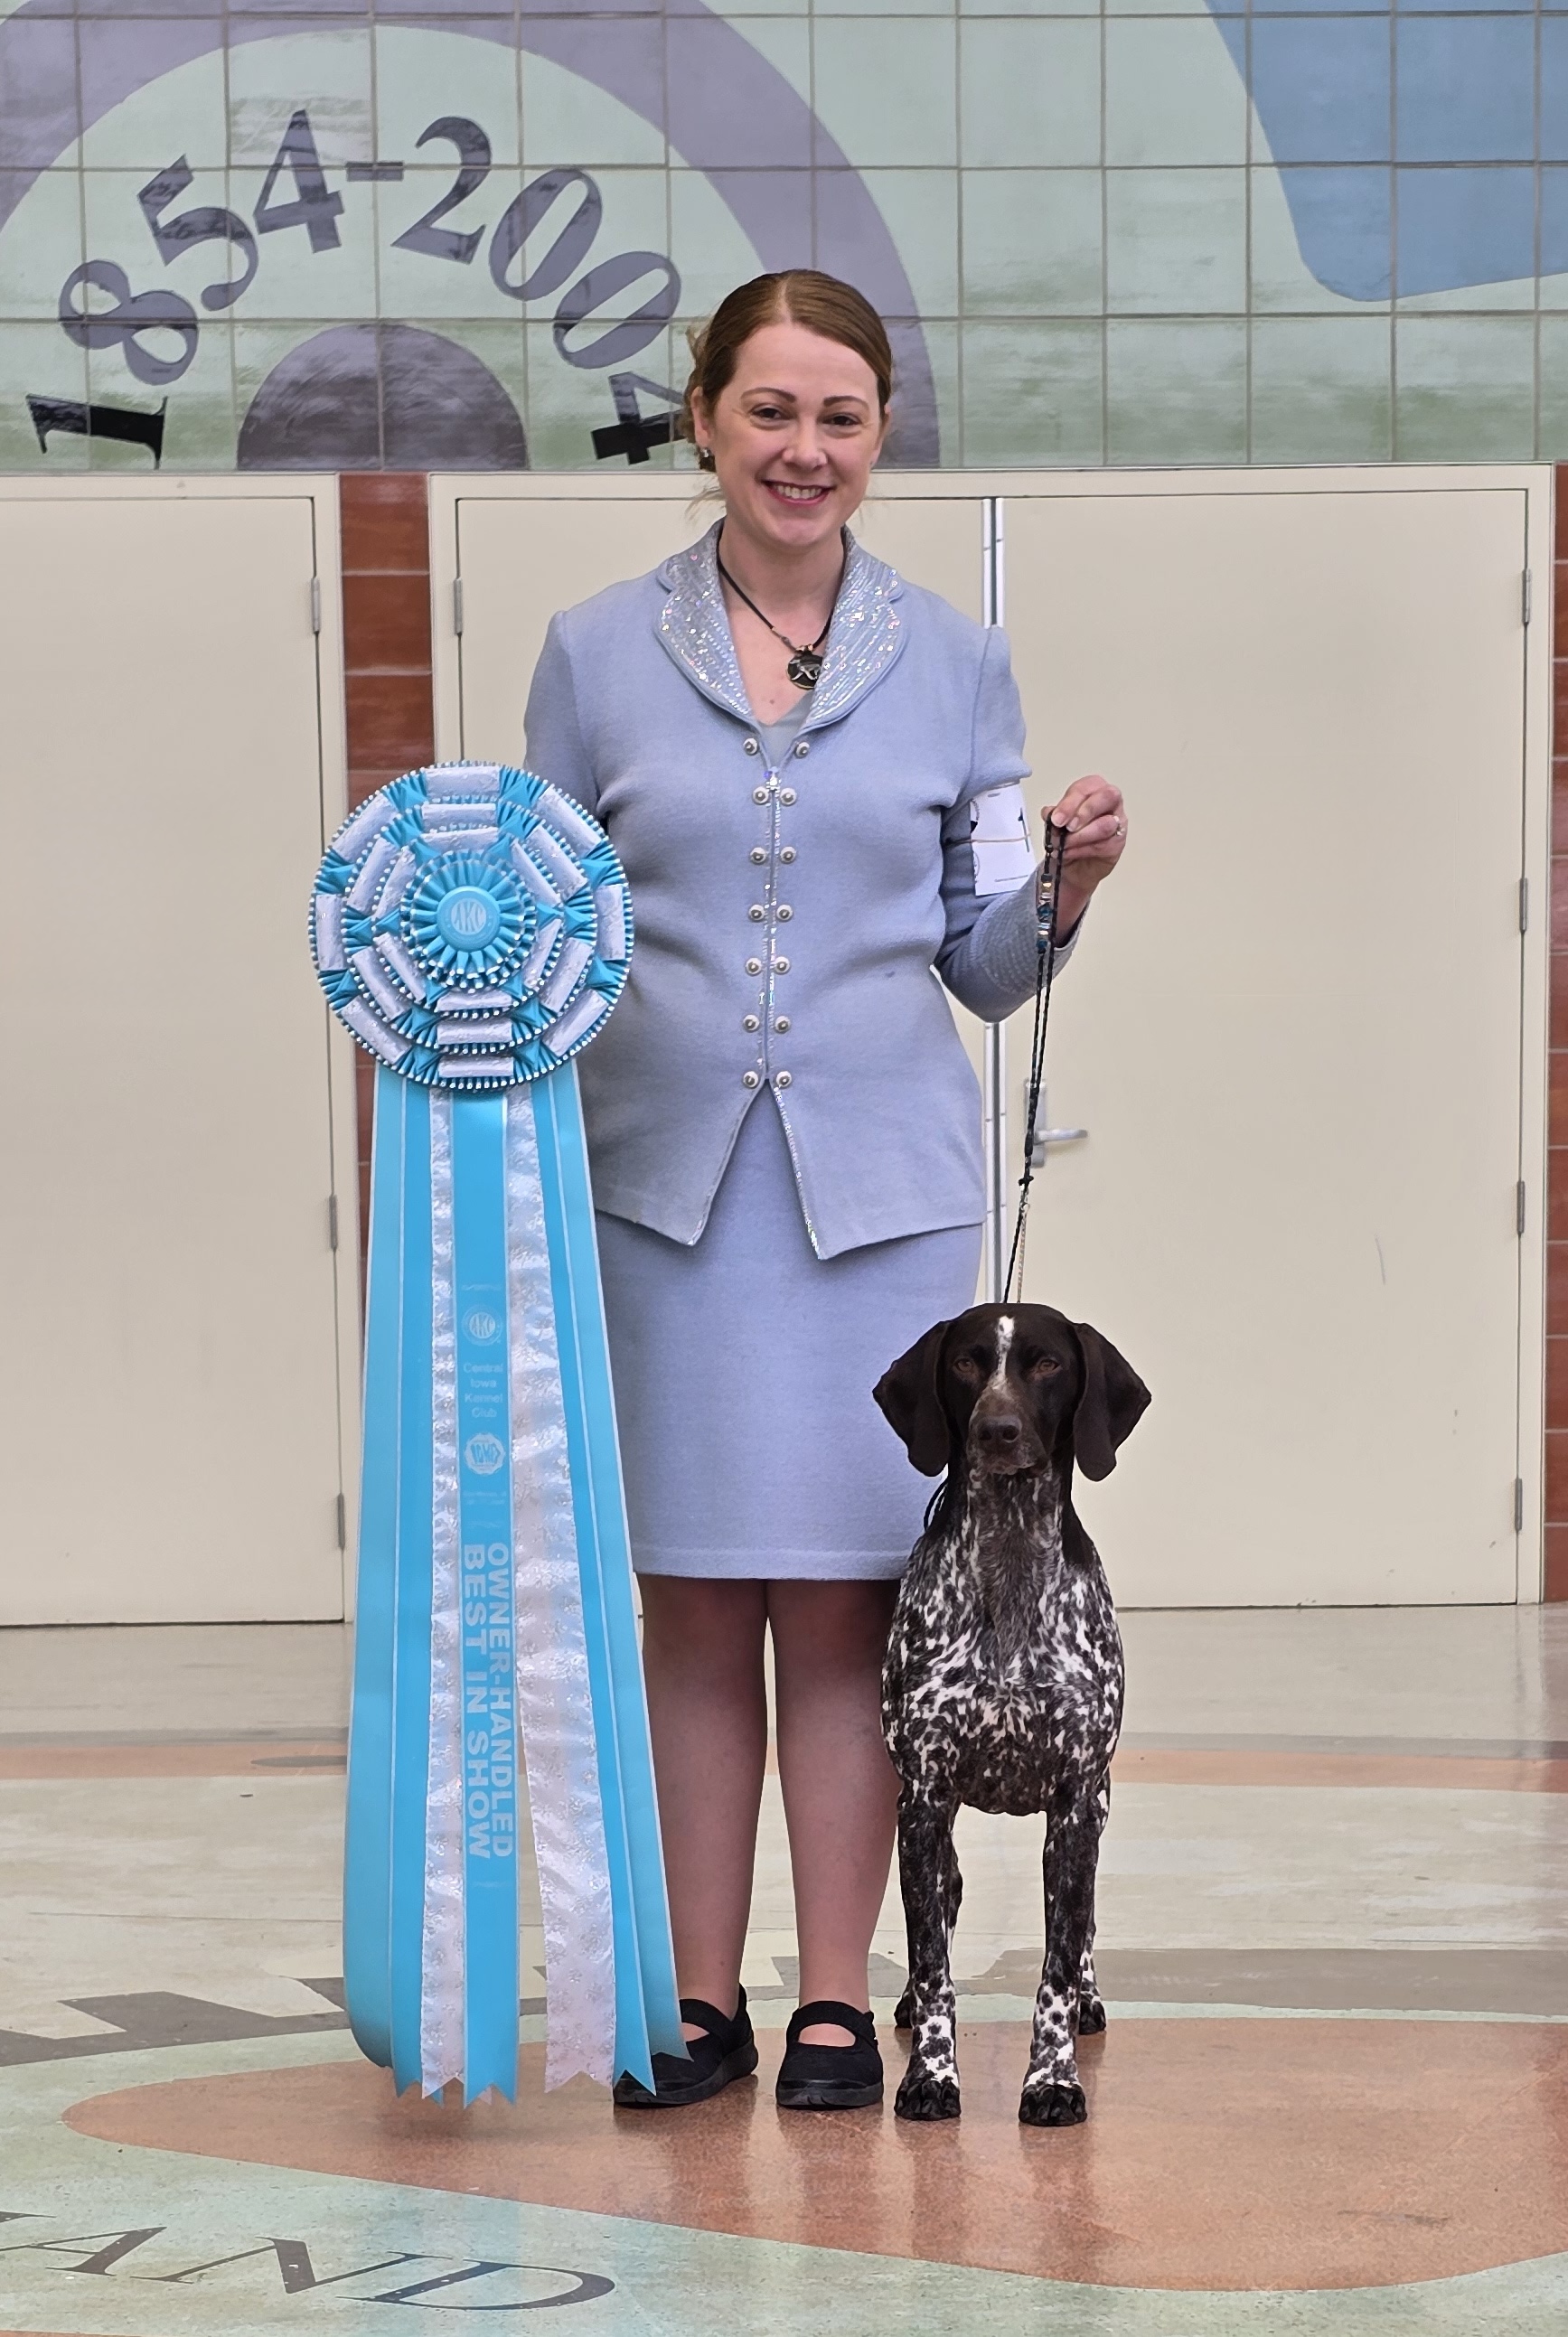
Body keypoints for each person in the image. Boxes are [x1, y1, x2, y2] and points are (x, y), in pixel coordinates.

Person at [523, 269, 1127, 2112]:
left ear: (880, 434)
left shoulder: (958, 661)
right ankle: (699, 2000)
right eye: (769, 411)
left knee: (858, 1613)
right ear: (703, 416)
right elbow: (537, 935)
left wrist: (1067, 890)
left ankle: (842, 2003)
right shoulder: (588, 655)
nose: (805, 449)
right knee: (698, 1607)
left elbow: (985, 967)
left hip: (885, 1212)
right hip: (662, 1204)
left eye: (840, 417)